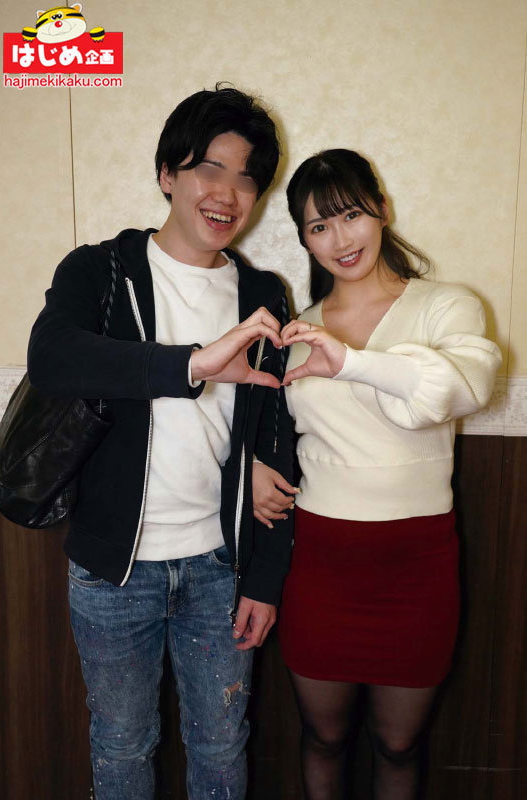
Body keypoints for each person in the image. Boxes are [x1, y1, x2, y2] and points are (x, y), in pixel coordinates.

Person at [27, 86, 295, 800]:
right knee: (122, 745)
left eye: (247, 178)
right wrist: (191, 365)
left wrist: (264, 579)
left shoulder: (263, 293)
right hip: (114, 573)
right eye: (209, 168)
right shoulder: (103, 271)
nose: (227, 193)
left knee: (222, 745)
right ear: (167, 174)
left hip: (219, 567)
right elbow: (52, 359)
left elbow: (275, 434)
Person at [253, 148, 501, 799]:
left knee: (398, 746)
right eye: (319, 226)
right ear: (304, 239)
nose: (340, 239)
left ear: (382, 210)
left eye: (351, 215)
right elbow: (266, 427)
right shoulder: (297, 331)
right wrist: (252, 466)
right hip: (321, 561)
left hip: (416, 564)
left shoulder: (447, 306)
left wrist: (352, 363)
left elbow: (457, 390)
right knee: (323, 738)